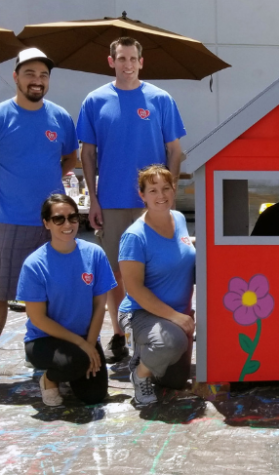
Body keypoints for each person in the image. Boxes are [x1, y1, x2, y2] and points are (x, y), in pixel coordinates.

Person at [0, 49, 78, 395]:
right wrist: (5, 191)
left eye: (43, 75)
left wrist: (47, 190)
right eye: (30, 73)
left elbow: (70, 156)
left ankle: (54, 358)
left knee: (56, 292)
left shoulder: (59, 117)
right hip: (11, 220)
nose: (37, 80)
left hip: (54, 222)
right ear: (16, 77)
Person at [77, 37, 186, 363]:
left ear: (141, 62)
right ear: (111, 62)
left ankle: (150, 332)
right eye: (121, 58)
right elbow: (87, 153)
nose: (127, 64)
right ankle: (119, 334)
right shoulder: (95, 101)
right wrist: (93, 200)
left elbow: (175, 151)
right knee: (116, 274)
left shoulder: (160, 99)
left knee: (153, 271)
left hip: (151, 204)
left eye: (132, 59)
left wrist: (169, 194)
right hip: (111, 201)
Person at [18, 195, 116, 406]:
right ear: (46, 223)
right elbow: (37, 318)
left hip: (84, 337)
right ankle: (49, 378)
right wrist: (82, 345)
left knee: (93, 396)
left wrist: (90, 343)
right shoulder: (34, 264)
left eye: (72, 217)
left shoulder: (95, 254)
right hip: (44, 339)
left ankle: (70, 370)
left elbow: (100, 305)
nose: (67, 224)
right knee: (76, 361)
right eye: (58, 219)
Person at [118, 165, 196, 405]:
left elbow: (181, 254)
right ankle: (139, 374)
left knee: (175, 382)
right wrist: (176, 317)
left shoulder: (180, 219)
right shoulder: (135, 236)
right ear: (142, 195)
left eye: (165, 188)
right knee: (172, 342)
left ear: (174, 189)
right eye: (153, 190)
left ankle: (147, 355)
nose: (160, 196)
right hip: (140, 313)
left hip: (175, 315)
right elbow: (135, 290)